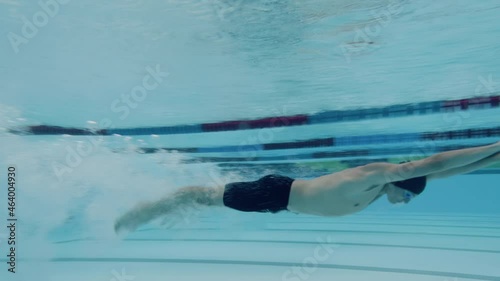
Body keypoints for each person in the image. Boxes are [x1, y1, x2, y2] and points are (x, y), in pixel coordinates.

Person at [114, 141, 500, 233]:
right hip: (275, 193)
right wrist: (495, 145)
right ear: (402, 186)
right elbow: (433, 165)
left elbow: (446, 173)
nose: (403, 203)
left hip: (279, 202)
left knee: (203, 202)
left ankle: (154, 210)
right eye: (407, 199)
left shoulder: (385, 188)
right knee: (198, 197)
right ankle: (141, 210)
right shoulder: (372, 177)